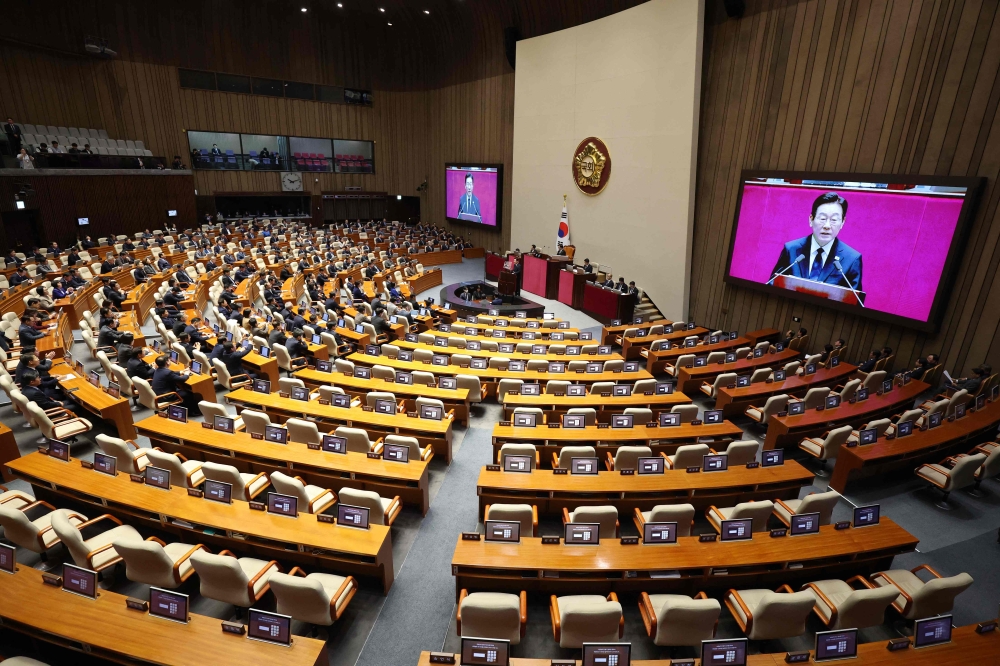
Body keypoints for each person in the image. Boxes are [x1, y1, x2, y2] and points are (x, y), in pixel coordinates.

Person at [771, 191, 863, 297]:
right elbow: (772, 286)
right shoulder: (791, 249)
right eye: (823, 218)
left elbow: (854, 302)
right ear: (811, 219)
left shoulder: (852, 259)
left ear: (842, 223)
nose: (827, 225)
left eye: (834, 220)